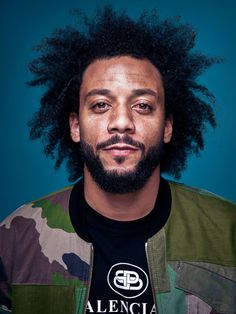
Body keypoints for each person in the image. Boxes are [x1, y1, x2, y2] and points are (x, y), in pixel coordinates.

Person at [0, 7, 235, 314]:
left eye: (142, 105)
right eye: (100, 104)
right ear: (74, 125)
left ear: (167, 127)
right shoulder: (15, 238)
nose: (121, 121)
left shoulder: (229, 233)